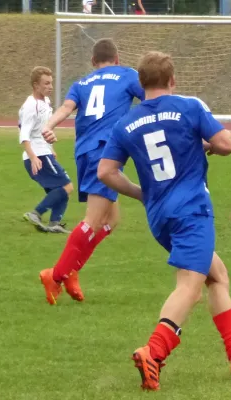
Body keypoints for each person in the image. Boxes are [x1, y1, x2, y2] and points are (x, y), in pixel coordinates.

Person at [97, 50, 231, 391]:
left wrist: (142, 194)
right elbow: (227, 143)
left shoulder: (125, 123)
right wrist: (207, 146)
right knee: (190, 285)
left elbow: (106, 172)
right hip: (191, 210)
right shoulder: (188, 106)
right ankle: (153, 352)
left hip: (159, 216)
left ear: (141, 85)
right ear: (173, 81)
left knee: (217, 276)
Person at [39, 38, 145, 305]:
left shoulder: (82, 83)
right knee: (94, 221)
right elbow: (150, 98)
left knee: (112, 220)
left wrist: (50, 125)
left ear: (92, 62)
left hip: (85, 152)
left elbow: (65, 108)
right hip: (106, 152)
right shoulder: (127, 74)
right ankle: (56, 274)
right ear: (117, 58)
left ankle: (72, 270)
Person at [19, 66, 73, 234]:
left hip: (44, 151)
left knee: (58, 190)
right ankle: (35, 213)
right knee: (67, 186)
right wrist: (34, 157)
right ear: (36, 85)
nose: (50, 86)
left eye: (51, 83)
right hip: (38, 154)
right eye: (46, 83)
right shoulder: (31, 106)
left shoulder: (45, 102)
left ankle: (55, 223)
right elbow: (24, 135)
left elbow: (44, 129)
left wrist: (51, 148)